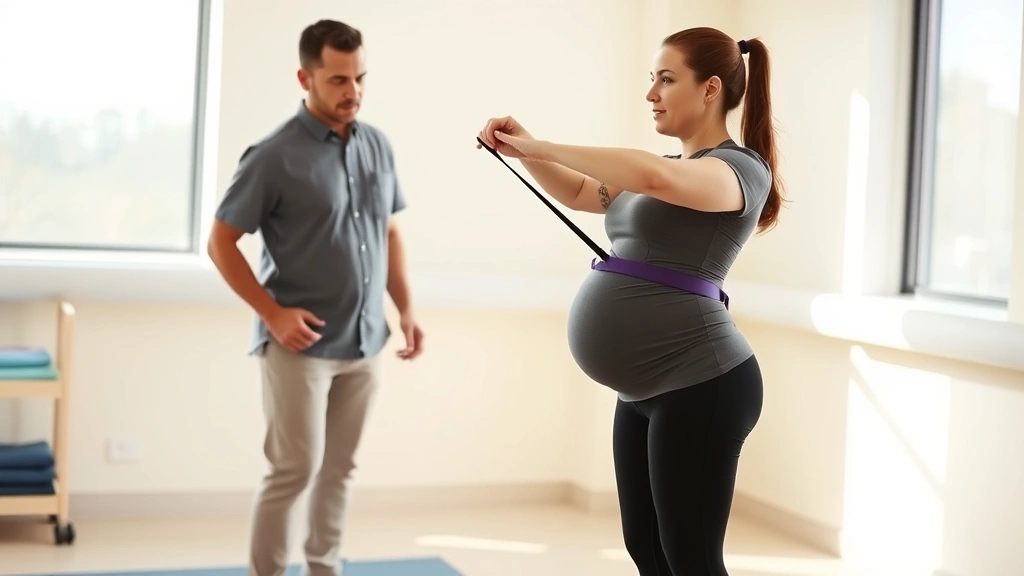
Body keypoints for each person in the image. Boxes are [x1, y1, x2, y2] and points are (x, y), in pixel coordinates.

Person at [477, 27, 782, 576]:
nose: (652, 95)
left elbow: (653, 175)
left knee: (692, 559)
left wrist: (538, 145)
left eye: (666, 80)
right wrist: (524, 147)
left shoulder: (739, 171)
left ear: (710, 88)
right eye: (651, 81)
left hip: (702, 383)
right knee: (646, 545)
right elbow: (577, 191)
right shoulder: (665, 170)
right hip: (642, 389)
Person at [207, 19, 423, 576]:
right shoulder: (273, 155)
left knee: (340, 469)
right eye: (337, 80)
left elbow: (388, 231)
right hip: (298, 348)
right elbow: (221, 241)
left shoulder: (377, 143)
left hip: (364, 339)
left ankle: (324, 567)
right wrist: (272, 313)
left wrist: (406, 310)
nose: (352, 91)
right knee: (293, 470)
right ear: (304, 77)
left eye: (359, 78)